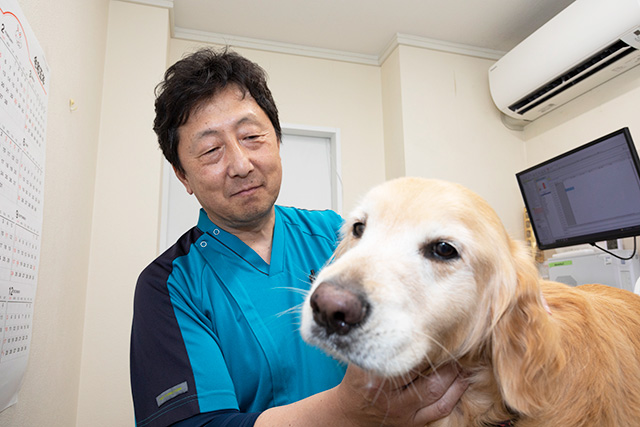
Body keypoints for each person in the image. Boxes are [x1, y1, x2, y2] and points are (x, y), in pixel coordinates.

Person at [130, 47, 468, 427]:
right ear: (182, 176)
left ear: (276, 139)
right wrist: (346, 411)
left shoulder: (335, 233)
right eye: (210, 150)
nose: (241, 165)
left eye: (252, 136)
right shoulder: (170, 286)